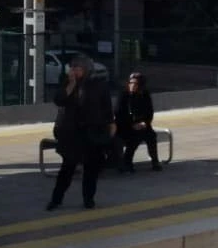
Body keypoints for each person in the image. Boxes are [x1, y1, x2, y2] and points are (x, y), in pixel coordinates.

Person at [48, 55, 114, 210]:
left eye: (78, 68)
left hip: (92, 132)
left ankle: (88, 199)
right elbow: (59, 100)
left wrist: (110, 125)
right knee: (67, 168)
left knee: (91, 169)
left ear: (86, 69)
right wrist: (71, 84)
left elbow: (106, 108)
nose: (74, 71)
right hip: (72, 134)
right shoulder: (68, 83)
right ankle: (56, 200)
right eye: (72, 68)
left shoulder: (99, 85)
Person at [115, 72, 160, 172]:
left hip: (141, 124)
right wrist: (132, 124)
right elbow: (119, 113)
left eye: (135, 84)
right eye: (131, 83)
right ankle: (127, 161)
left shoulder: (144, 94)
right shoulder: (124, 95)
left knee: (151, 136)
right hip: (125, 125)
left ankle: (155, 161)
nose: (132, 85)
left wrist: (145, 123)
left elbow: (149, 112)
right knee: (135, 137)